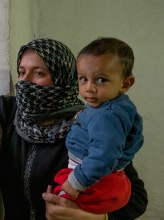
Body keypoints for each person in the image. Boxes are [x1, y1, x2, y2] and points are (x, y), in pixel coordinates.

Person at [0, 38, 147, 220]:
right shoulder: (14, 111)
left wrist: (95, 218)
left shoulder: (90, 124)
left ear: (62, 78)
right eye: (21, 72)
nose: (25, 82)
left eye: (38, 74)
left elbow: (137, 198)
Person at [53, 37, 144, 215]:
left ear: (125, 84)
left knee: (61, 208)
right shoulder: (111, 105)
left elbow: (104, 156)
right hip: (100, 176)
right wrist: (84, 117)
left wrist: (75, 182)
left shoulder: (106, 117)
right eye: (83, 79)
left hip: (93, 180)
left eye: (101, 80)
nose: (89, 88)